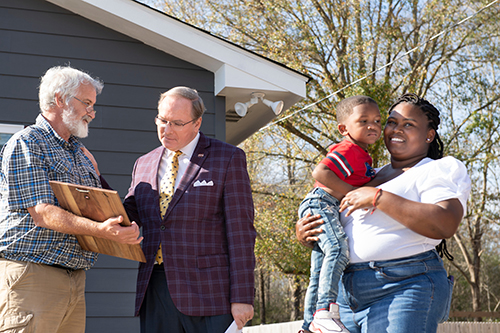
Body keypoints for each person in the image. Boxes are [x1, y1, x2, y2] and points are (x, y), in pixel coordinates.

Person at [296, 93, 471, 333]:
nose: (396, 129)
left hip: (404, 285)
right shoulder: (367, 175)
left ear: (429, 135)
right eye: (392, 122)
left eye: (408, 124)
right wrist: (308, 232)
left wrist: (378, 197)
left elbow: (445, 223)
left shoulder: (437, 168)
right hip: (345, 296)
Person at [0, 65, 142, 333]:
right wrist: (101, 231)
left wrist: (120, 225)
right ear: (60, 99)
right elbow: (42, 213)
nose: (92, 112)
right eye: (87, 103)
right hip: (32, 274)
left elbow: (97, 206)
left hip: (74, 279)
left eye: (93, 105)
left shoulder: (79, 152)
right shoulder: (28, 143)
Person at [123, 86, 256, 332]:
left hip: (211, 294)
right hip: (155, 289)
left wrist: (242, 296)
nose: (166, 129)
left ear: (197, 123)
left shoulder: (227, 158)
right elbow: (127, 213)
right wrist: (95, 176)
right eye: (162, 120)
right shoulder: (143, 163)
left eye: (177, 123)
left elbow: (241, 233)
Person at [299, 96, 381, 333]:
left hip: (326, 206)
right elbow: (321, 172)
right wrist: (354, 194)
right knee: (337, 250)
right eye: (363, 120)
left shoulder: (362, 154)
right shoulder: (350, 149)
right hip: (321, 203)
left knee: (319, 270)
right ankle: (325, 310)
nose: (372, 125)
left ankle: (309, 324)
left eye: (376, 120)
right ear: (344, 128)